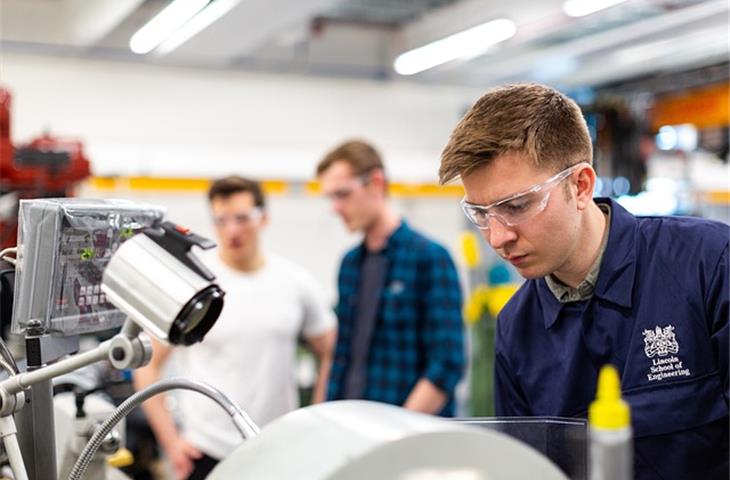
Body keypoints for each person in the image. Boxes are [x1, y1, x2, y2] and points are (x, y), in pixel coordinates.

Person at [438, 82, 728, 479]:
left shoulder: (708, 265)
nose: (497, 237)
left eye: (517, 206)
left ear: (580, 185)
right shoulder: (516, 330)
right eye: (482, 214)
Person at [134, 176, 336, 480]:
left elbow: (332, 352)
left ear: (263, 218)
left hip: (276, 448)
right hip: (205, 452)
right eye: (221, 220)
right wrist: (172, 442)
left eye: (242, 218)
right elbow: (146, 366)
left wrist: (314, 423)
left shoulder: (295, 284)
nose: (232, 230)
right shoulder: (194, 283)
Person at [316, 140, 465, 416]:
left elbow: (446, 364)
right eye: (331, 197)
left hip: (410, 441)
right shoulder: (350, 265)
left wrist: (397, 432)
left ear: (375, 182)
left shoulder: (430, 258)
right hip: (353, 427)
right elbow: (341, 358)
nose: (336, 207)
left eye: (343, 194)